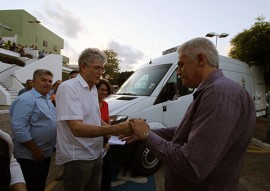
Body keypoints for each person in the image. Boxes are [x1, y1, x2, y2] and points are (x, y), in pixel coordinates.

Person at [123, 37, 256, 191]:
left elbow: (191, 166)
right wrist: (146, 132)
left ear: (200, 59)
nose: (178, 72)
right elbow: (183, 131)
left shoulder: (217, 94)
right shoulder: (213, 91)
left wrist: (146, 135)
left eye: (181, 65)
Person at [55, 48, 132, 191]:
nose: (100, 72)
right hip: (77, 156)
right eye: (97, 68)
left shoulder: (92, 89)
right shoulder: (69, 88)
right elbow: (76, 128)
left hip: (96, 153)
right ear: (83, 67)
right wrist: (113, 128)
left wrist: (115, 133)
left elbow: (96, 120)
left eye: (102, 69)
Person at [10, 69, 57, 191]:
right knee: (31, 186)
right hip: (30, 156)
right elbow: (19, 128)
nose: (47, 83)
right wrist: (35, 150)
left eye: (50, 81)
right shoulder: (26, 99)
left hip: (44, 154)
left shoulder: (47, 99)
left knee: (39, 184)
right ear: (34, 81)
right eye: (43, 80)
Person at [97, 79, 112, 191]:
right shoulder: (91, 104)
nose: (104, 92)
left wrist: (108, 141)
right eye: (101, 89)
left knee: (108, 170)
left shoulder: (105, 104)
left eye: (106, 90)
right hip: (95, 141)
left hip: (106, 141)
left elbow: (108, 122)